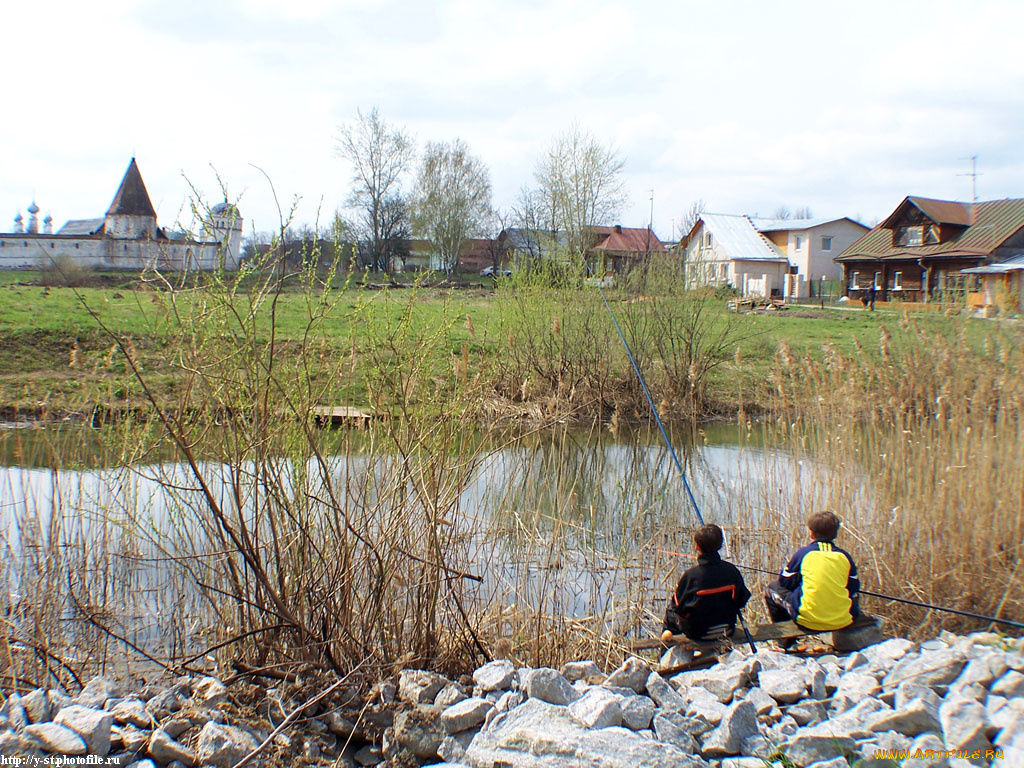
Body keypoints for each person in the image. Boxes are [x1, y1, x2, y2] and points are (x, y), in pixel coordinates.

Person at [766, 511, 860, 631]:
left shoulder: (803, 553)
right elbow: (853, 588)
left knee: (771, 588)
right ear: (836, 533)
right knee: (854, 596)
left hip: (807, 620)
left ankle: (786, 642)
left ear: (811, 533)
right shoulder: (845, 556)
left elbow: (785, 582)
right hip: (843, 620)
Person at [662, 524, 751, 643]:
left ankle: (665, 654)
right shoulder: (732, 571)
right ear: (720, 545)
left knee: (670, 612)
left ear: (697, 546)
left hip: (698, 633)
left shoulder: (691, 576)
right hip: (727, 629)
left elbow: (679, 608)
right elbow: (742, 600)